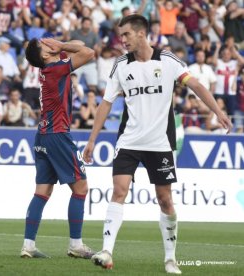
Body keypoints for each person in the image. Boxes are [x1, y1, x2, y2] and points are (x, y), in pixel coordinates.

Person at [83, 14, 232, 274]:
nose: (123, 40)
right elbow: (106, 104)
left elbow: (194, 84)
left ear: (142, 33)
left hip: (159, 142)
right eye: (121, 35)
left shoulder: (168, 61)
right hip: (129, 140)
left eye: (127, 34)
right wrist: (92, 140)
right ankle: (106, 251)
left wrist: (217, 111)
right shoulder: (120, 65)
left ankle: (170, 258)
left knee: (165, 200)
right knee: (119, 191)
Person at [21, 37, 95, 259]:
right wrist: (62, 46)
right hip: (58, 135)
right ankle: (76, 244)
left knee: (42, 191)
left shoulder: (49, 68)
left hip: (42, 135)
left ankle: (28, 246)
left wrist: (59, 44)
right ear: (45, 55)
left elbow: (76, 43)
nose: (50, 42)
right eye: (45, 44)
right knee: (80, 188)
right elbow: (88, 52)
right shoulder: (56, 69)